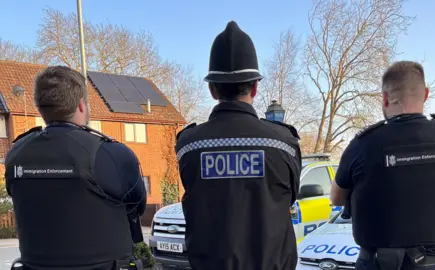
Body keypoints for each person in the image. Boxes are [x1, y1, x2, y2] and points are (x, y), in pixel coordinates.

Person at [175, 21, 302, 270]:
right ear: (255, 87)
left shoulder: (188, 145)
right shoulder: (284, 142)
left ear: (212, 89)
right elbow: (290, 198)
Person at [330, 61, 435, 270]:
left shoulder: (363, 144)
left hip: (378, 264)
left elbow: (336, 198)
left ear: (385, 98)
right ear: (425, 94)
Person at [4, 66, 147, 270]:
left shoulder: (15, 155)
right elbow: (136, 207)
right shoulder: (113, 154)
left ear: (40, 107)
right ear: (81, 105)